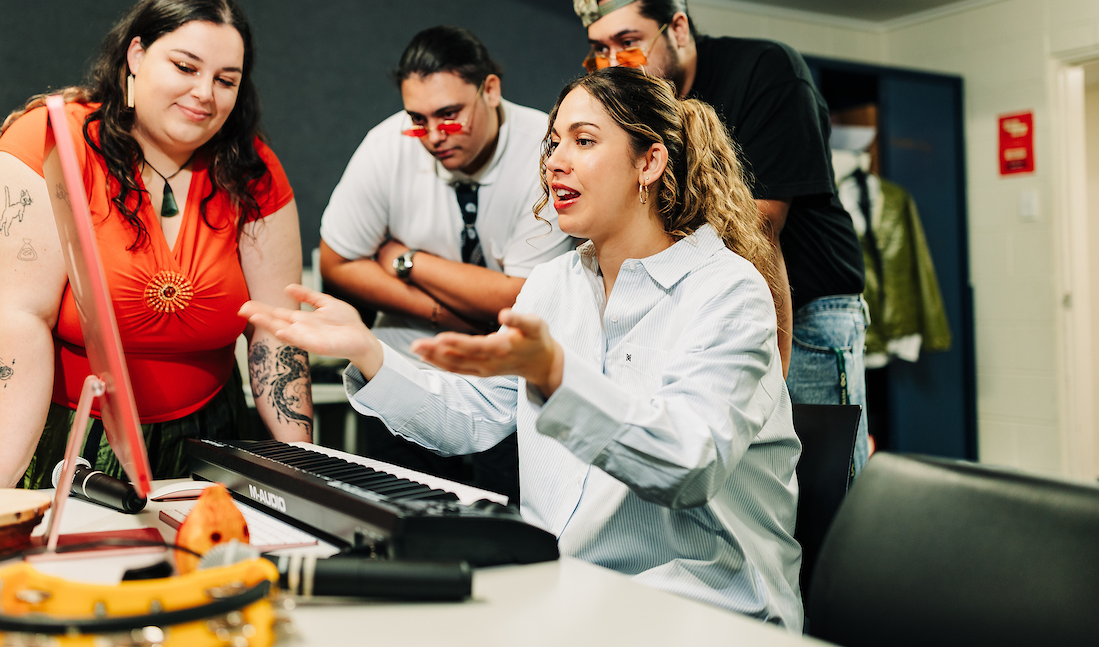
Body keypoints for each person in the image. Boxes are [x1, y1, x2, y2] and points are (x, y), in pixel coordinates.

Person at [244, 68, 804, 630]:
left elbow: (688, 465)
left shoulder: (728, 291)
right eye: (554, 143)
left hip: (706, 610)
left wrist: (557, 377)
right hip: (570, 592)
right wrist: (367, 351)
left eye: (584, 141)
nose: (555, 161)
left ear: (650, 163)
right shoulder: (554, 285)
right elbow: (473, 414)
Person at [0, 0, 310, 490]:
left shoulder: (253, 169)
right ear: (137, 55)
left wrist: (305, 464)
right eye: (186, 67)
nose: (204, 93)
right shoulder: (50, 141)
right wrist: (1, 468)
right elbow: (23, 315)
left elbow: (275, 328)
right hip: (43, 421)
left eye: (226, 80)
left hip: (200, 424)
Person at [573, 0, 869, 475]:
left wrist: (772, 373)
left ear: (678, 28)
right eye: (600, 49)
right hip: (711, 306)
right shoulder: (640, 113)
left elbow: (757, 229)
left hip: (806, 312)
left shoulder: (766, 71)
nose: (614, 63)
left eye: (629, 43)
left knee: (818, 488)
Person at [318, 26, 574, 501]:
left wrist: (407, 260)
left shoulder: (547, 151)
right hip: (405, 365)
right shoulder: (387, 144)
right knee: (403, 522)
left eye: (450, 115)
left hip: (507, 385)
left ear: (490, 90)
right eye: (419, 119)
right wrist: (442, 313)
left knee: (505, 527)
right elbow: (337, 262)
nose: (433, 136)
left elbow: (518, 296)